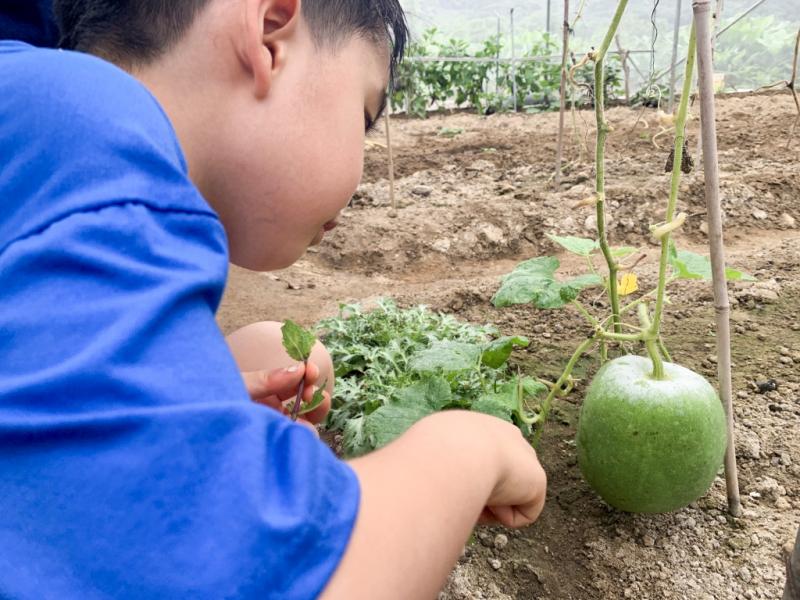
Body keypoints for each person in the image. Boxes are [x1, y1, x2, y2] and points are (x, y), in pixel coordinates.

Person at [0, 1, 547, 598]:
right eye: (364, 113)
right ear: (268, 34)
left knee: (259, 346)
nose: (360, 172)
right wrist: (468, 451)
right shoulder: (89, 126)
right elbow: (266, 579)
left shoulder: (30, 110)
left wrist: (198, 399)